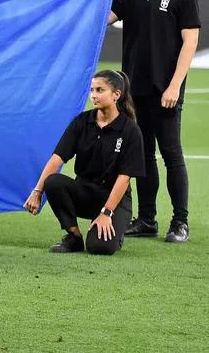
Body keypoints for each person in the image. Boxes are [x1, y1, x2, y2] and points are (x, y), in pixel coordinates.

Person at [107, 0, 199, 243]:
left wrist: (175, 85)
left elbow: (190, 42)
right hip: (134, 91)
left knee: (171, 154)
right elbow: (102, 17)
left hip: (166, 89)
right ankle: (147, 219)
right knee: (142, 156)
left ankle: (180, 222)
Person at [25, 70, 145, 255]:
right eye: (92, 90)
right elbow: (57, 158)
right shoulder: (82, 121)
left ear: (116, 95)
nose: (94, 95)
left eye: (100, 90)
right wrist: (37, 191)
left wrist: (107, 212)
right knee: (54, 181)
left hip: (114, 198)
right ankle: (74, 237)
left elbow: (124, 177)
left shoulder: (130, 130)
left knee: (100, 248)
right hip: (84, 192)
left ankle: (114, 231)